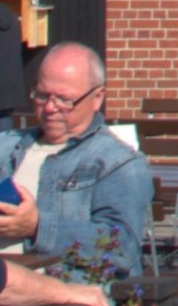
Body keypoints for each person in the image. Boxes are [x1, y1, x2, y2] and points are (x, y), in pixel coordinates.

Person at [0, 43, 156, 277]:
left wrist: (37, 227)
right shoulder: (5, 145)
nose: (50, 108)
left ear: (97, 98)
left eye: (65, 99)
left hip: (59, 302)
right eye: (42, 96)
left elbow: (121, 249)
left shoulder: (117, 162)